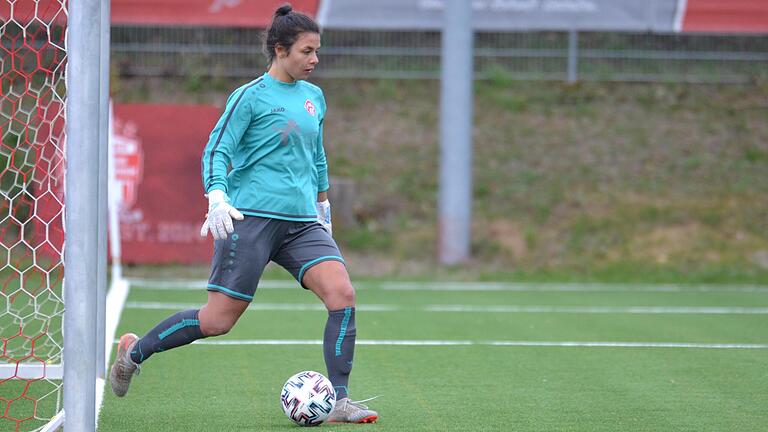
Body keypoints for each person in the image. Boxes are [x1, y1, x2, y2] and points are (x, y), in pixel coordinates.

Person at [109, 4, 378, 424]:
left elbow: (317, 155)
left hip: (302, 222)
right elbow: (217, 150)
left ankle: (340, 400)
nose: (315, 59)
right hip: (249, 218)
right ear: (280, 50)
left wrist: (322, 206)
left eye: (317, 51)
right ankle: (133, 352)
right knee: (217, 321)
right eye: (307, 51)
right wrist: (217, 196)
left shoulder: (314, 97)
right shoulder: (249, 97)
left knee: (342, 295)